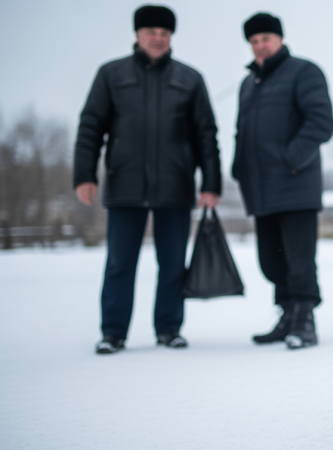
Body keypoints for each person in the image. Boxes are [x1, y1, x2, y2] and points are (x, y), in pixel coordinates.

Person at [73, 4, 221, 355]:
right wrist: (84, 175)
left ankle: (169, 328)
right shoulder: (111, 75)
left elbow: (206, 135)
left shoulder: (190, 79)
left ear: (171, 37)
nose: (158, 38)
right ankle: (113, 332)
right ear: (137, 35)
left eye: (165, 33)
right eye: (152, 32)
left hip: (176, 185)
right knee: (120, 264)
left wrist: (211, 183)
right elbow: (90, 127)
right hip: (125, 184)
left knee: (172, 264)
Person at [232, 12, 333, 350]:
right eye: (254, 41)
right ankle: (287, 315)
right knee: (271, 260)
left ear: (279, 39)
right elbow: (241, 131)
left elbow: (321, 122)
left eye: (266, 39)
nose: (260, 46)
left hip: (295, 186)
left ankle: (304, 320)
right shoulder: (249, 83)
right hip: (261, 188)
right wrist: (238, 167)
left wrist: (291, 160)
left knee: (299, 258)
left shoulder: (304, 72)